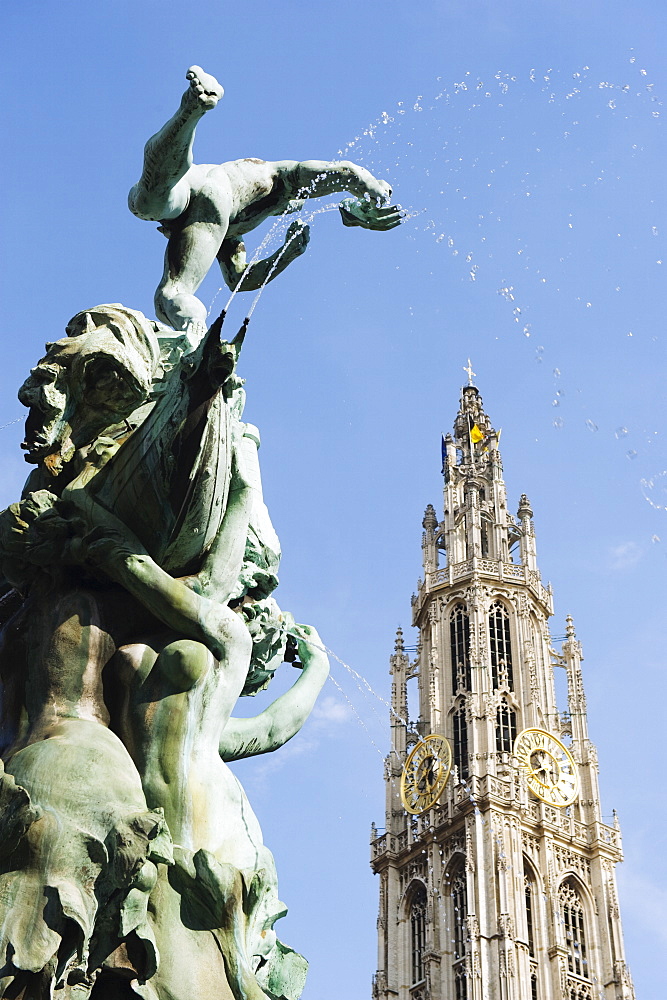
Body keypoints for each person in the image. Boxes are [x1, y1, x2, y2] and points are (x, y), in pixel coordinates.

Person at [128, 66, 403, 338]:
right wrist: (374, 191)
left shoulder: (235, 232)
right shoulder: (279, 177)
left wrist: (287, 253)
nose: (290, 209)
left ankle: (194, 330)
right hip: (207, 192)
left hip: (193, 203)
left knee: (148, 208)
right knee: (168, 277)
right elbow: (343, 172)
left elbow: (238, 279)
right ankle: (192, 108)